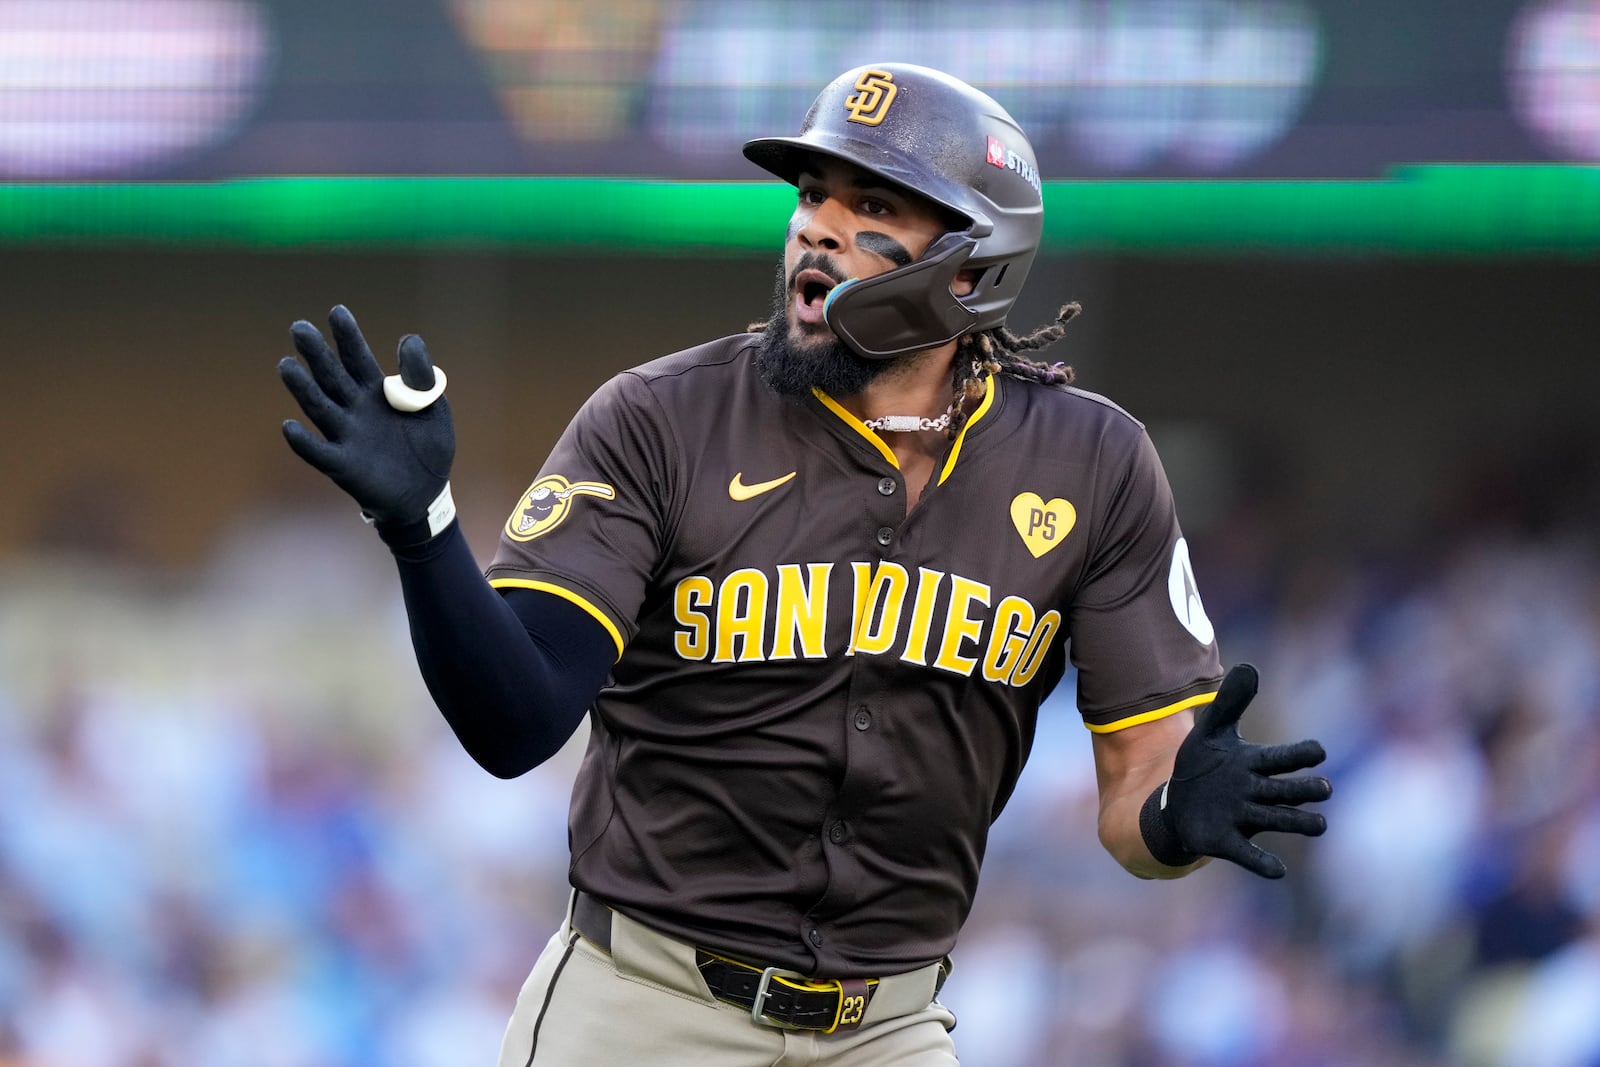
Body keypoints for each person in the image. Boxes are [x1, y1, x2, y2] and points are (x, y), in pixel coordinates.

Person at [277, 62, 1332, 1067]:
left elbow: (1138, 793)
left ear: (973, 264)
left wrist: (1170, 818)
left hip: (890, 1021)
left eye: (875, 209)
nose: (819, 227)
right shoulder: (662, 419)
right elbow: (514, 723)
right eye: (814, 195)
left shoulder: (1091, 461)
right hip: (645, 1005)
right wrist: (422, 525)